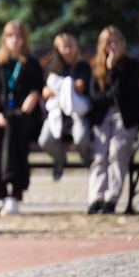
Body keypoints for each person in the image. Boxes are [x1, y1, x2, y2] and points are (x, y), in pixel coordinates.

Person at [0, 20, 43, 216]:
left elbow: (35, 92)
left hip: (24, 117)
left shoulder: (31, 64)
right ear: (4, 39)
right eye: (10, 36)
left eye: (18, 36)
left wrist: (23, 111)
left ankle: (15, 196)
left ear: (24, 40)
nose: (14, 40)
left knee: (16, 142)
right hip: (1, 116)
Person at [87, 26, 139, 215]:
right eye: (108, 43)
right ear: (102, 46)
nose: (112, 46)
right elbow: (96, 97)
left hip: (125, 117)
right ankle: (96, 198)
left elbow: (123, 92)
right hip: (103, 117)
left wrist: (112, 70)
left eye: (116, 42)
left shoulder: (133, 65)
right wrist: (110, 88)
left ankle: (111, 199)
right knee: (99, 155)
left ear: (122, 43)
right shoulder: (97, 67)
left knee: (117, 152)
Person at [39, 33, 92, 180]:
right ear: (57, 50)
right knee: (45, 141)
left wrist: (59, 87)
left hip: (77, 112)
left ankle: (89, 162)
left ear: (76, 47)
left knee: (82, 139)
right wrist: (68, 86)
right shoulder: (52, 68)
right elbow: (45, 92)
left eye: (70, 46)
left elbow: (81, 86)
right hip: (57, 112)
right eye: (64, 47)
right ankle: (60, 160)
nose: (68, 50)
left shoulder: (82, 66)